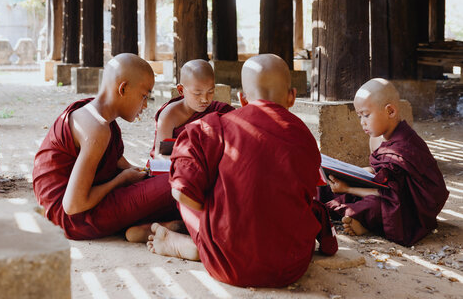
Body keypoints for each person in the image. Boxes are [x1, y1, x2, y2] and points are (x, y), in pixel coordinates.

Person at [146, 54, 338, 288]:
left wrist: (213, 213)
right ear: (292, 97)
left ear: (242, 99)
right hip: (291, 265)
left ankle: (197, 244)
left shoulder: (213, 126)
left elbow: (182, 193)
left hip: (225, 262)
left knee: (188, 187)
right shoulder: (306, 139)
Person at [32, 53, 177, 240]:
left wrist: (141, 173)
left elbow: (118, 163)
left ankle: (150, 228)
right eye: (144, 96)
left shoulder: (98, 116)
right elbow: (73, 205)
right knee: (179, 181)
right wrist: (120, 181)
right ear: (123, 89)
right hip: (72, 218)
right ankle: (159, 226)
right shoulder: (96, 128)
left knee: (167, 183)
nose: (145, 106)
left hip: (83, 205)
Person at [324, 78, 449, 246]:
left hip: (410, 207)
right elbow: (380, 174)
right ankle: (363, 220)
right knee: (326, 188)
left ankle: (366, 224)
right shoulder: (375, 138)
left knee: (374, 205)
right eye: (359, 116)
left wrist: (348, 188)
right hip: (389, 192)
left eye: (366, 115)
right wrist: (354, 174)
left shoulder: (405, 146)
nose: (362, 123)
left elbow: (390, 195)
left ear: (390, 111)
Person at [150, 59, 234, 158]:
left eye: (210, 92)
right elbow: (161, 156)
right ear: (181, 90)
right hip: (179, 167)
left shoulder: (220, 111)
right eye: (197, 93)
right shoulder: (169, 115)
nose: (205, 99)